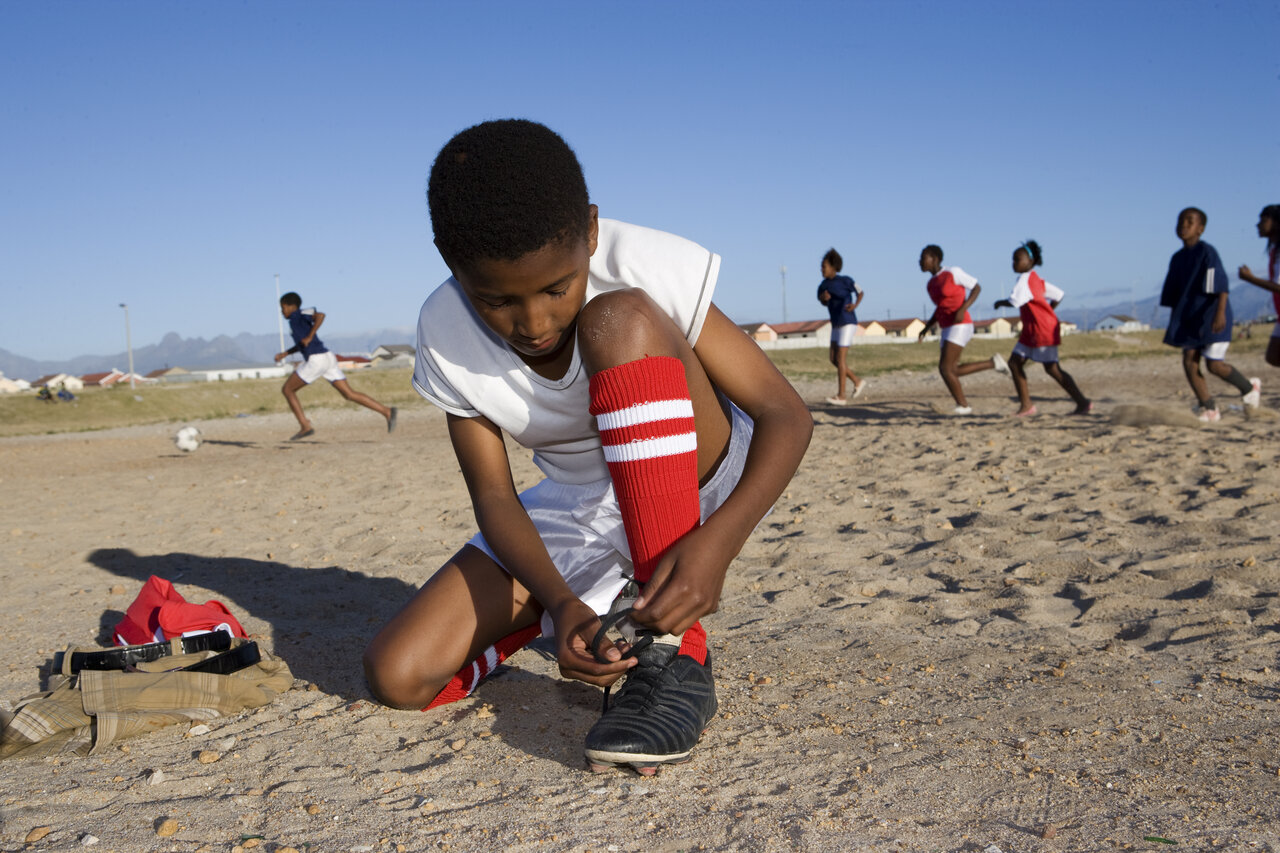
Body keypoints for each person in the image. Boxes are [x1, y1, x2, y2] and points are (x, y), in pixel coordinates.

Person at [362, 119, 812, 776]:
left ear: (591, 231)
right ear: (450, 262)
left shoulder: (638, 260)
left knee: (618, 319)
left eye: (555, 287)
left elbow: (785, 415)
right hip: (580, 502)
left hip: (699, 472)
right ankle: (594, 617)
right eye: (497, 300)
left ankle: (671, 655)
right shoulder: (443, 329)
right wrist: (562, 600)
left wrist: (717, 545)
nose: (535, 323)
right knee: (398, 673)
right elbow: (493, 493)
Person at [1159, 208, 1260, 422]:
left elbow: (1221, 287)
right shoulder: (1177, 258)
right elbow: (1172, 294)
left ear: (1200, 229)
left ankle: (1249, 388)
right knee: (1189, 360)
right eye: (1180, 221)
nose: (1184, 225)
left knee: (1214, 365)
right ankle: (1209, 407)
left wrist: (1220, 314)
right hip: (1189, 318)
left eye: (1190, 221)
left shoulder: (1207, 253)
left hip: (1212, 316)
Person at [274, 293, 397, 440]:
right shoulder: (295, 321)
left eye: (283, 308)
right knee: (349, 394)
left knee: (287, 389)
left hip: (317, 359)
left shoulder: (298, 314)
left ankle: (305, 425)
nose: (282, 312)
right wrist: (286, 353)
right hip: (328, 358)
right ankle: (387, 412)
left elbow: (320, 315)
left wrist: (311, 335)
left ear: (290, 306)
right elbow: (302, 344)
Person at [992, 240, 1092, 416]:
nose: (1013, 263)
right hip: (1033, 330)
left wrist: (999, 302)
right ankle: (1026, 405)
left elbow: (1015, 301)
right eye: (1013, 259)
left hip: (1042, 330)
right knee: (1015, 363)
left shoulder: (1025, 279)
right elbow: (1059, 295)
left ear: (1030, 262)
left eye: (1018, 259)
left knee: (1052, 369)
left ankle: (1082, 402)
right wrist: (1047, 310)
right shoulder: (1036, 279)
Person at [917, 244, 1009, 414]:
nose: (919, 261)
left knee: (945, 368)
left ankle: (963, 406)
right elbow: (940, 307)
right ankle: (993, 363)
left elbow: (976, 287)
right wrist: (927, 327)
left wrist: (963, 308)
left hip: (961, 324)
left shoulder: (953, 272)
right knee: (952, 370)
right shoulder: (930, 284)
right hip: (946, 327)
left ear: (935, 258)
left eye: (923, 257)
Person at [816, 248, 866, 405]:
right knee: (833, 359)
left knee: (840, 358)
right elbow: (822, 300)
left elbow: (860, 291)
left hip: (848, 321)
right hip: (836, 323)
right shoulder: (823, 285)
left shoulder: (845, 280)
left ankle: (841, 396)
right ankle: (857, 381)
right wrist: (824, 299)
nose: (821, 269)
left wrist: (855, 305)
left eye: (824, 266)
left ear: (833, 266)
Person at [1236, 204, 1280, 369]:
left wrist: (1250, 279)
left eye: (1263, 220)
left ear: (1276, 223)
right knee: (1273, 356)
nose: (1258, 224)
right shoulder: (1274, 250)